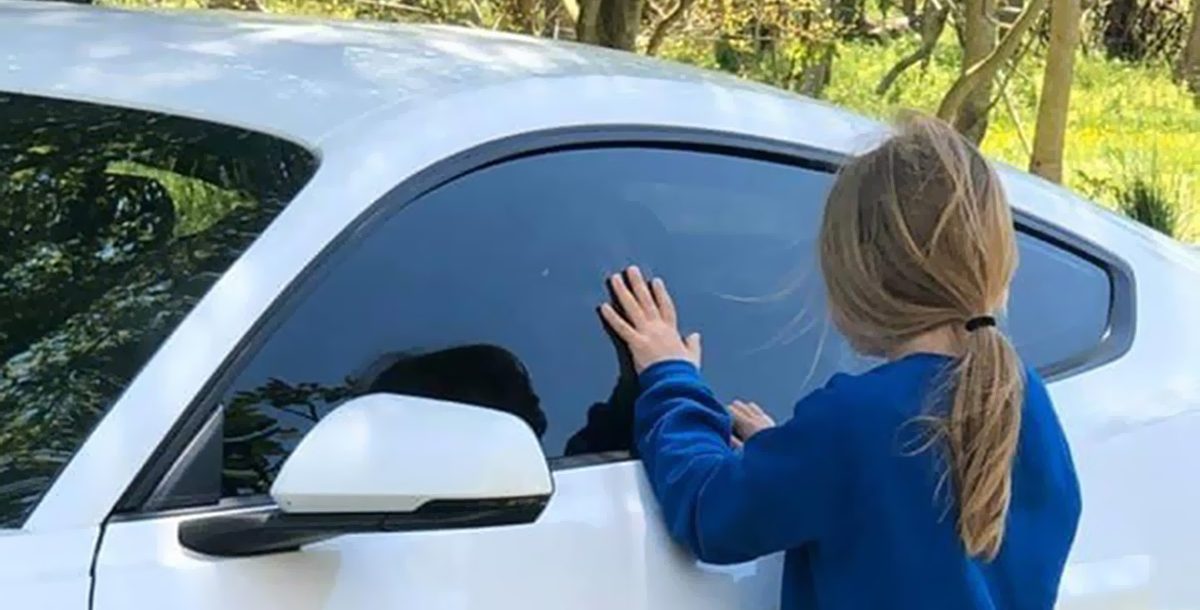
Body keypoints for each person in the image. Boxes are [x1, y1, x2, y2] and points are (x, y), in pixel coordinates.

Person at [597, 115, 1082, 610]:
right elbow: (908, 510)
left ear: (861, 277)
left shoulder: (854, 421)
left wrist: (671, 377)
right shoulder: (1021, 395)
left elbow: (710, 513)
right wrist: (784, 451)